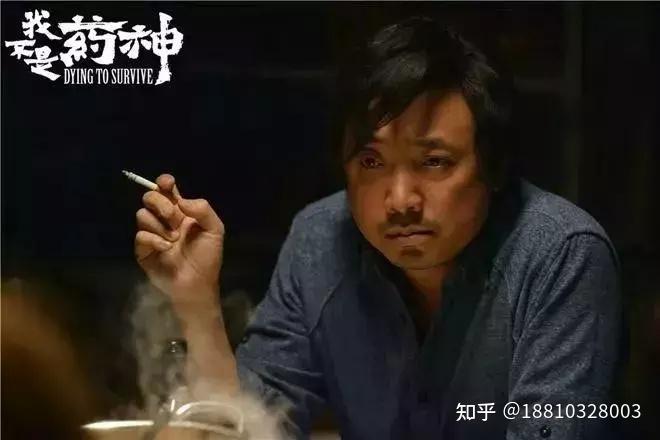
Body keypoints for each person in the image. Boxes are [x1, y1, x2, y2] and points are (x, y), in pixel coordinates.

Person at [133, 17, 623, 439]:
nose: (400, 200)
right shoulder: (319, 241)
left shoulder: (560, 253)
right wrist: (197, 304)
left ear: (492, 167)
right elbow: (252, 427)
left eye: (434, 161)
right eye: (371, 161)